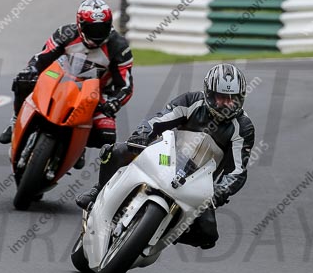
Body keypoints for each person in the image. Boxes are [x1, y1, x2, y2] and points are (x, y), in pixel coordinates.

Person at [76, 63, 255, 250]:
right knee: (115, 151)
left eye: (232, 99)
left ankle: (163, 232)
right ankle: (98, 191)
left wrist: (222, 190)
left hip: (199, 183)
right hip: (164, 157)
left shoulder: (243, 127)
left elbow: (238, 170)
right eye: (221, 97)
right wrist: (143, 133)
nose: (226, 104)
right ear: (209, 93)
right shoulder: (191, 101)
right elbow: (159, 120)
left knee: (208, 236)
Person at [0, 0, 134, 169]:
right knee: (23, 80)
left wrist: (115, 102)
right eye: (92, 28)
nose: (97, 33)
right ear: (80, 25)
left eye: (102, 27)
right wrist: (31, 69)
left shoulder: (119, 47)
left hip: (95, 95)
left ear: (109, 24)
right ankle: (15, 121)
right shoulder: (65, 34)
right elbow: (42, 58)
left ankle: (79, 146)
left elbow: (126, 86)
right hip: (59, 81)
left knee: (106, 135)